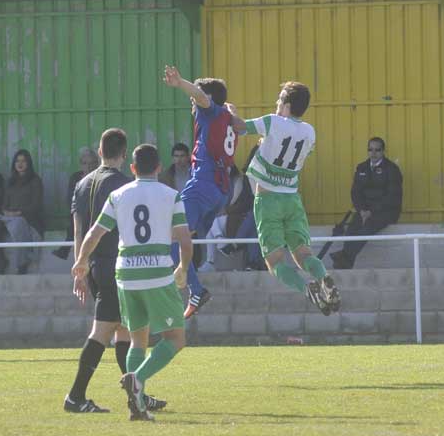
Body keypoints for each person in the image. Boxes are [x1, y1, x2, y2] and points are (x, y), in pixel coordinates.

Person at [72, 143, 193, 422]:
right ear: (160, 168)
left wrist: (81, 261)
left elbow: (94, 233)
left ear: (133, 168)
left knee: (137, 340)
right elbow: (185, 242)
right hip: (157, 273)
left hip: (125, 274)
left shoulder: (118, 195)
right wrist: (183, 269)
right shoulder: (171, 195)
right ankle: (137, 380)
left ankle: (136, 405)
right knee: (176, 337)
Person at [63, 128, 162, 415]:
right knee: (103, 331)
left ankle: (138, 392)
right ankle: (75, 396)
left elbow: (79, 230)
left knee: (124, 331)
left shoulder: (82, 184)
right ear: (123, 153)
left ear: (99, 151)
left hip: (93, 266)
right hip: (114, 266)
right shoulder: (122, 185)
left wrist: (80, 267)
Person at [235, 81, 340, 315]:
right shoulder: (309, 132)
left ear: (288, 105)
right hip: (292, 199)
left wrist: (230, 113)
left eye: (280, 100)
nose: (276, 104)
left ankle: (307, 289)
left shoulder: (273, 121)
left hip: (267, 199)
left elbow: (240, 128)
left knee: (274, 263)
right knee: (304, 255)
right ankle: (323, 276)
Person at [162, 66, 245, 318]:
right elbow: (240, 127)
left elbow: (201, 97)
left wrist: (180, 83)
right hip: (222, 190)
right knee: (186, 237)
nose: (192, 103)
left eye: (194, 98)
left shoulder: (210, 112)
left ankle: (194, 289)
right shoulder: (227, 118)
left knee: (172, 237)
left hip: (203, 183)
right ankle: (185, 279)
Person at [330, 137, 403, 270]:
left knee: (367, 227)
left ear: (383, 151)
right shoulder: (362, 167)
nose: (373, 153)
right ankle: (346, 261)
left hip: (385, 211)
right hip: (364, 211)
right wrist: (362, 210)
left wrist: (371, 211)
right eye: (370, 149)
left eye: (377, 150)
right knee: (352, 229)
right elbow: (355, 192)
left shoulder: (392, 169)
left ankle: (344, 258)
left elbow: (392, 197)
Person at [0, 149, 44, 275]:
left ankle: (22, 263)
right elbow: (4, 203)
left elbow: (36, 205)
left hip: (28, 218)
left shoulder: (35, 180)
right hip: (9, 217)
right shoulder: (10, 181)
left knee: (18, 224)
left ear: (28, 163)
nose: (20, 164)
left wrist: (18, 213)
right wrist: (6, 212)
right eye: (17, 161)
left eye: (23, 161)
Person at [53, 147, 99, 261]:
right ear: (80, 164)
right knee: (76, 220)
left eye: (91, 163)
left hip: (96, 213)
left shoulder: (101, 176)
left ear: (97, 164)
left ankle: (66, 250)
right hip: (80, 211)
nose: (88, 166)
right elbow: (70, 199)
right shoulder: (75, 177)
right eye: (84, 163)